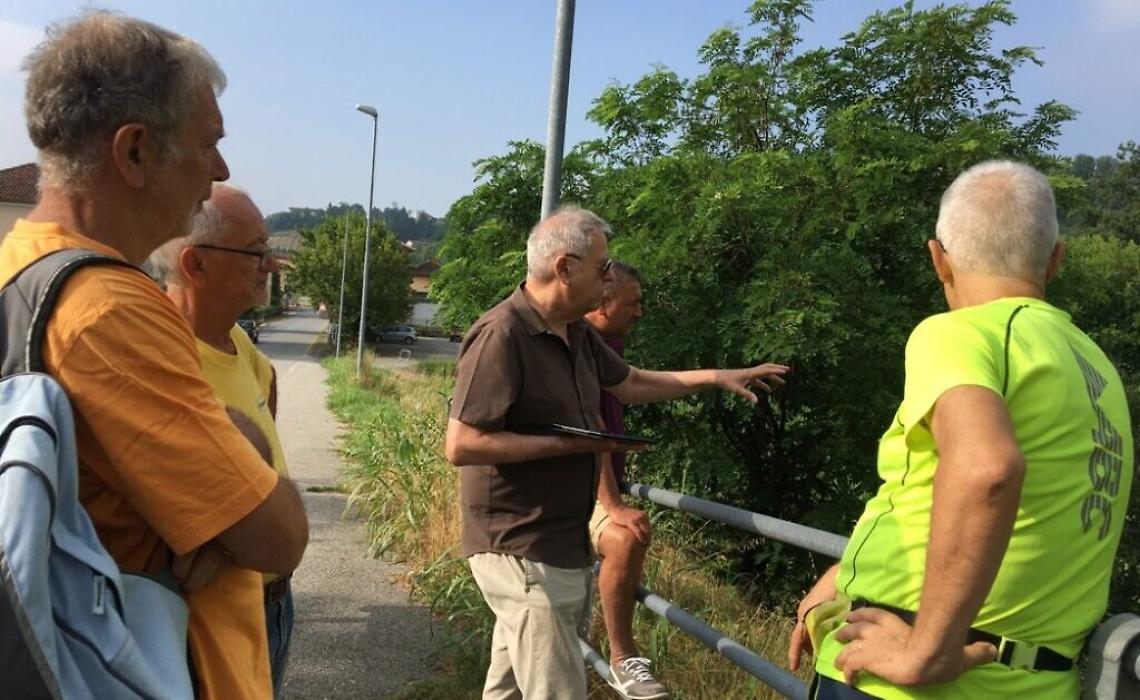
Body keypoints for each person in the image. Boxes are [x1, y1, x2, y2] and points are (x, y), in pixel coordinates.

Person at [6, 12, 308, 699]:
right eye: (209, 143)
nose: (222, 169)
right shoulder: (110, 310)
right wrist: (245, 440)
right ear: (135, 152)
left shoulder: (19, 270)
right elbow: (278, 539)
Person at [787, 161, 1134, 699]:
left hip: (908, 685)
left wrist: (929, 651)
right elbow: (930, 495)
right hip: (1038, 684)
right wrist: (840, 579)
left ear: (939, 260)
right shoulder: (1099, 371)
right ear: (1056, 261)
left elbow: (985, 470)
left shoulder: (958, 334)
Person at [445, 205, 788, 700]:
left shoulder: (575, 331)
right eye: (602, 267)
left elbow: (629, 383)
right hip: (519, 549)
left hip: (557, 544)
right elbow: (461, 444)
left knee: (509, 691)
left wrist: (716, 377)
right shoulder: (502, 334)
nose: (608, 280)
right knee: (557, 690)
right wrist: (568, 444)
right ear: (564, 267)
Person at [149, 184, 295, 699]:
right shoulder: (162, 362)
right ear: (196, 266)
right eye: (256, 250)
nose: (272, 264)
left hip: (272, 606)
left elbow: (268, 445)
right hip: (204, 626)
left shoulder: (238, 342)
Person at [582, 262, 668, 698]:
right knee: (624, 538)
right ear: (602, 301)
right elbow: (591, 430)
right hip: (577, 489)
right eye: (632, 303)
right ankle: (622, 657)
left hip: (595, 483)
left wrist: (714, 378)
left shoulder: (607, 342)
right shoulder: (579, 343)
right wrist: (612, 502)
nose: (640, 312)